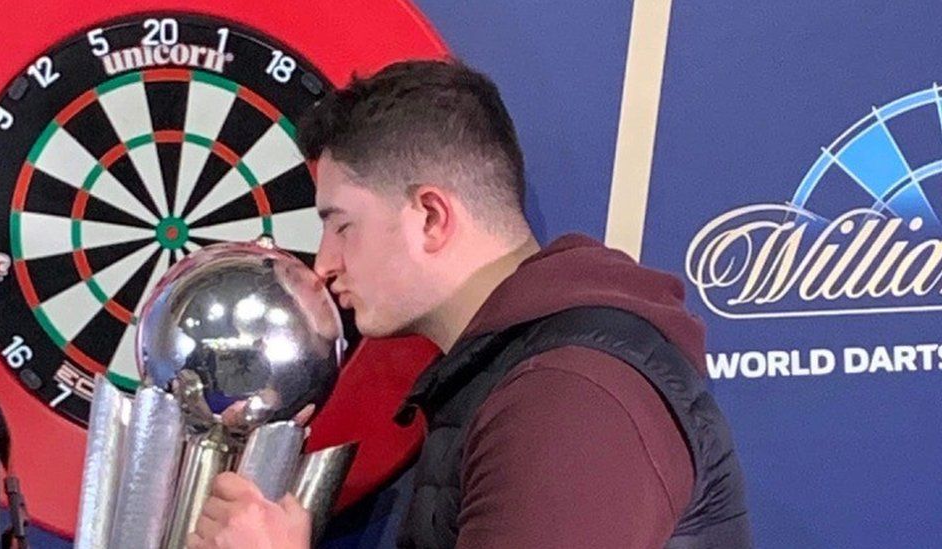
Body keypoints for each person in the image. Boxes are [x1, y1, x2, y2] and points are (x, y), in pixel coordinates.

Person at [186, 59, 751, 549]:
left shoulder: (568, 397)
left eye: (341, 225)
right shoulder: (515, 380)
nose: (325, 263)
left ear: (432, 216)